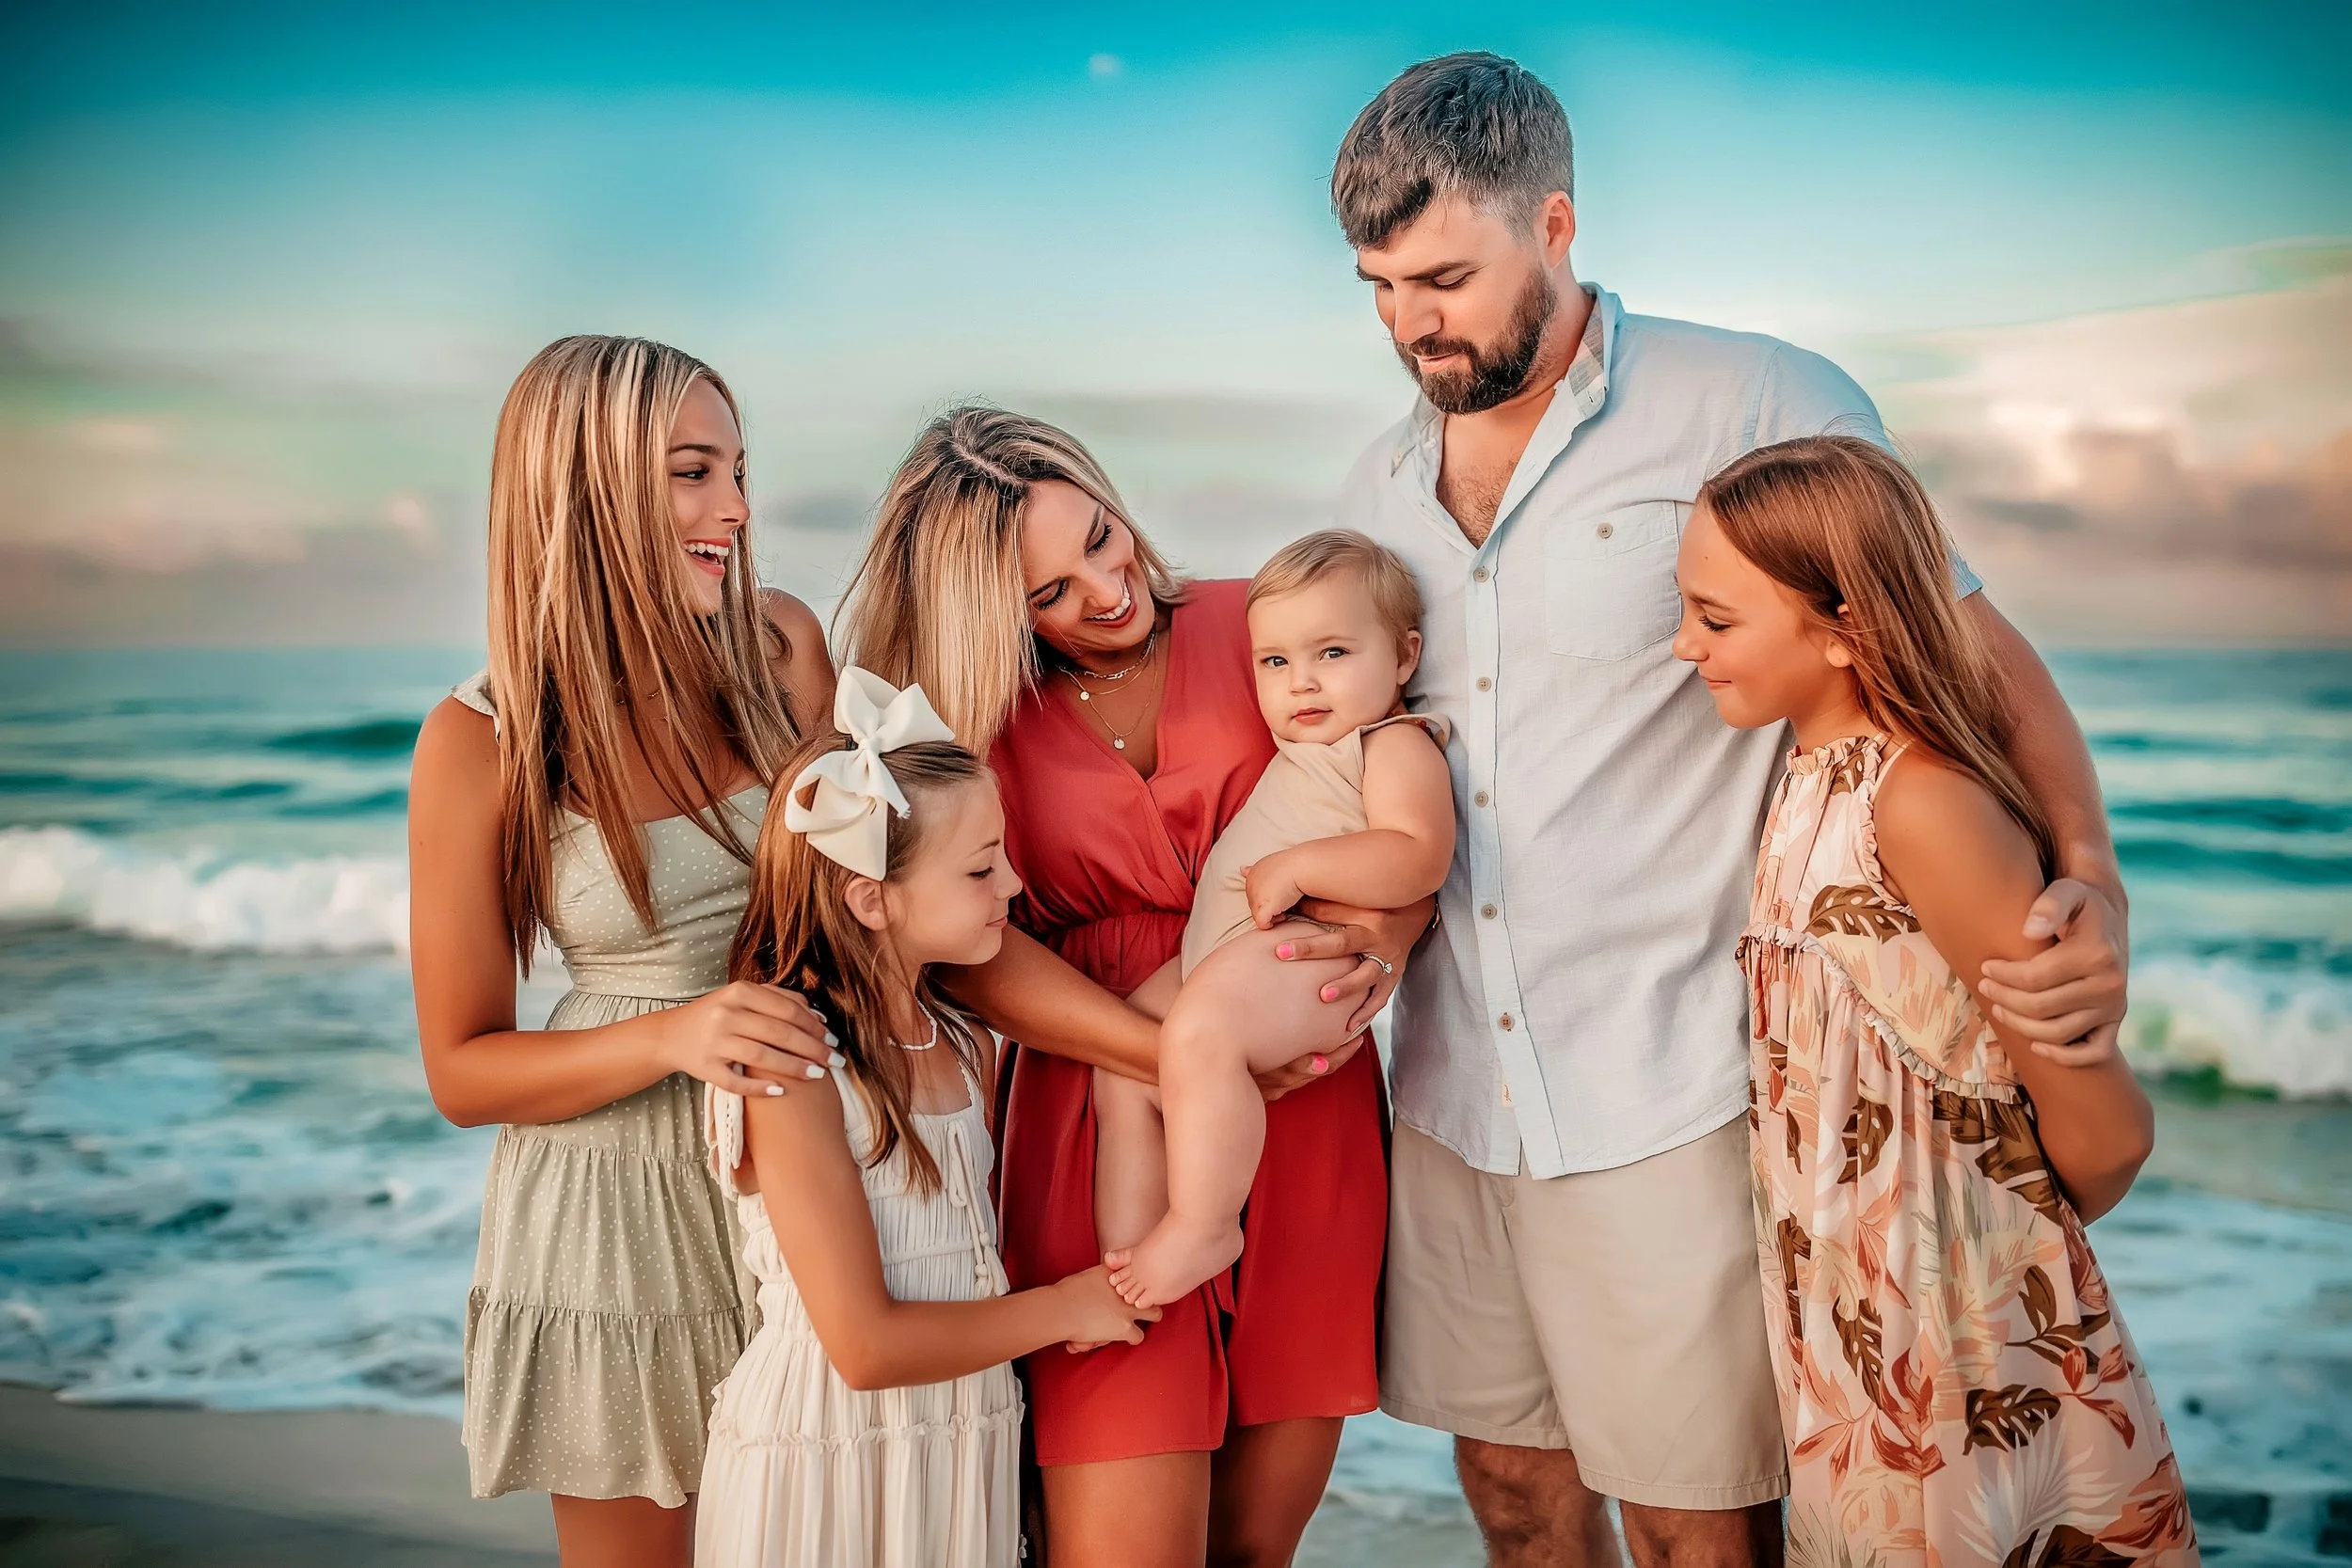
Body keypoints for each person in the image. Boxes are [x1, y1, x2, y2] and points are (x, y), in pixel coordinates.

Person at [1330, 55, 2136, 1567]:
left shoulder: (1758, 394)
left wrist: (2091, 867)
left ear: (1555, 222)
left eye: (1442, 276)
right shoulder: (1378, 480)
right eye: (1377, 287)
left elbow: (1969, 644)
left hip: (1674, 1078)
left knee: (1698, 1516)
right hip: (1445, 1085)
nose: (1408, 324)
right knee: (1509, 1486)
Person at [834, 409, 1417, 1567]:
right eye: (1049, 591)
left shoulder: (1268, 624)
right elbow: (965, 946)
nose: (1106, 591)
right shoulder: (959, 718)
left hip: (1306, 1094)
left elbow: (1407, 776)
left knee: (1256, 1548)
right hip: (1096, 1114)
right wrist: (1176, 1060)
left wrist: (1385, 940)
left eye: (1102, 538)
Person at [1680, 436, 2195, 1565]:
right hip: (1859, 1350)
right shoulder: (1799, 780)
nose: (1685, 647)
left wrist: (1968, 1258)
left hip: (1971, 1353)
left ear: (1843, 624)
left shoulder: (1919, 806)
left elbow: (2107, 1129)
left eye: (1714, 621)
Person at [408, 336, 837, 1568]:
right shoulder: (479, 738)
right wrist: (679, 1032)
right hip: (614, 1214)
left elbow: (876, 894)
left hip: (798, 1158)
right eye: (694, 472)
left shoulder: (780, 648)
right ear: (585, 487)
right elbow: (464, 1068)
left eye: (739, 470)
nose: (738, 509)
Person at [694, 669, 1156, 1568]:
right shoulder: (794, 1063)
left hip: (956, 1442)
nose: (1014, 885)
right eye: (982, 867)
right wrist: (1067, 1307)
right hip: (828, 1459)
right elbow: (863, 1346)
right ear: (872, 897)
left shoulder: (960, 1039)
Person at [1097, 531, 1453, 1308]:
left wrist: (1301, 867)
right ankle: (1122, 1258)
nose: (1302, 682)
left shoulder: (1390, 744)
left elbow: (1419, 853)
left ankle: (1203, 1222)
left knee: (1199, 1035)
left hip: (1303, 955)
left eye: (1332, 653)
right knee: (1121, 1063)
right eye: (1276, 662)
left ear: (1402, 657)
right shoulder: (1305, 746)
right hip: (1230, 955)